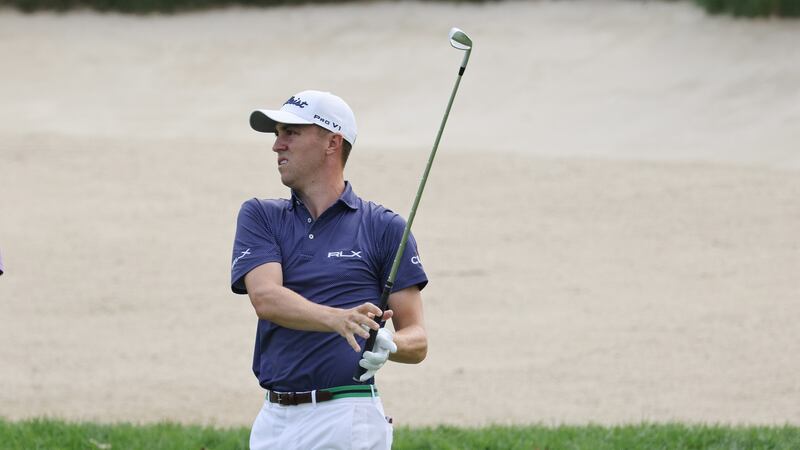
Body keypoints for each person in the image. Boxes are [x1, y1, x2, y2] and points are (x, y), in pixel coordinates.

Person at [230, 90, 428, 450]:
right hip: (274, 421)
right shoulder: (260, 216)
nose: (277, 145)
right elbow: (266, 298)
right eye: (277, 133)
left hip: (347, 416)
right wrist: (339, 319)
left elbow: (417, 340)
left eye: (291, 132)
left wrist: (388, 343)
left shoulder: (385, 228)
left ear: (331, 143)